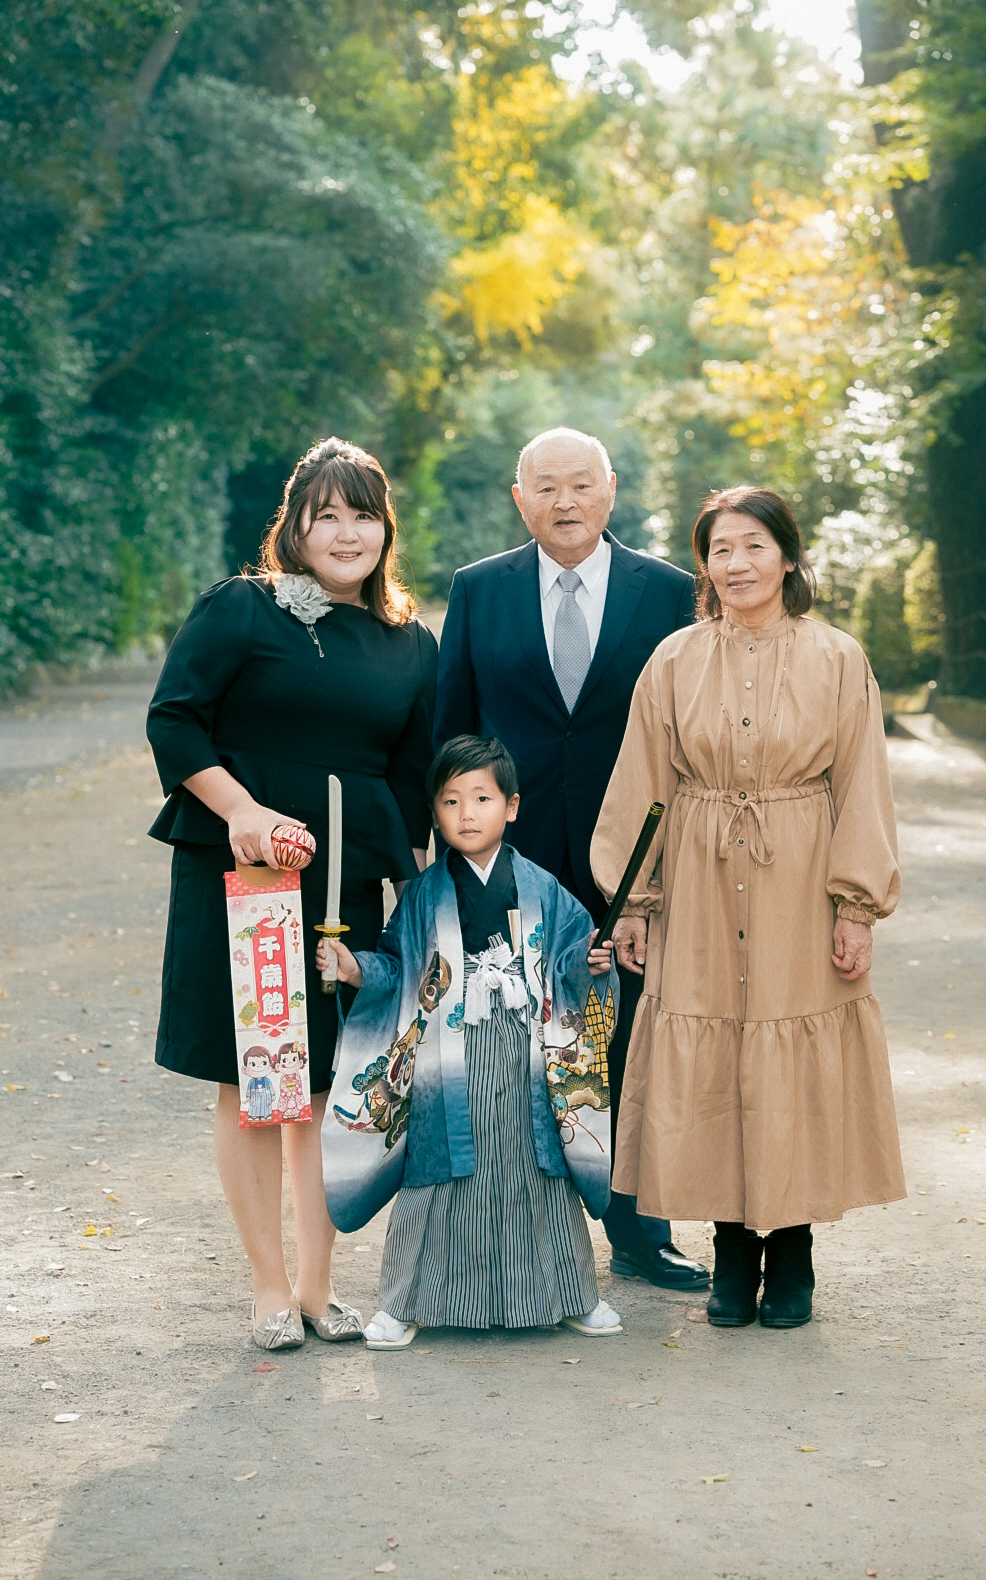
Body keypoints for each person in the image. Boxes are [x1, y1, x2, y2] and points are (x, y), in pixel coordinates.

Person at [591, 485, 905, 1329]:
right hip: (694, 874)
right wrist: (633, 902)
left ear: (789, 557)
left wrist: (855, 907)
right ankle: (732, 1251)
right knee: (715, 1064)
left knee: (790, 1056)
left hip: (800, 880)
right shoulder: (674, 660)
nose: (736, 564)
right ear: (706, 565)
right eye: (721, 550)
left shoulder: (839, 659)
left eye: (753, 546)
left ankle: (792, 1249)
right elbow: (643, 786)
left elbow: (862, 790)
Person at [146, 437, 437, 1349]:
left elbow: (410, 777)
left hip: (347, 892)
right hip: (247, 882)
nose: (346, 532)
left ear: (385, 529)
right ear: (296, 527)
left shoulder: (410, 644)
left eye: (363, 514)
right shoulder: (246, 610)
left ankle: (319, 1288)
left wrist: (423, 902)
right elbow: (175, 717)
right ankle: (269, 1291)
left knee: (328, 1083)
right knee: (252, 1081)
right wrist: (240, 809)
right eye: (327, 514)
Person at [434, 426, 708, 1291]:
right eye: (546, 487)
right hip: (508, 855)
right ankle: (510, 1228)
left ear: (611, 490)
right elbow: (454, 725)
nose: (565, 502)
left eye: (581, 485)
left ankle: (640, 1226)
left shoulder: (667, 592)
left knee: (631, 1034)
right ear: (520, 499)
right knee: (509, 1036)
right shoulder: (479, 590)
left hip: (636, 855)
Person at [317, 735, 622, 1349]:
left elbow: (571, 954)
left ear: (511, 807)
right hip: (443, 1063)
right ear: (435, 813)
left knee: (539, 1170)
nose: (467, 813)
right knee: (436, 1171)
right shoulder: (425, 894)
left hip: (526, 1055)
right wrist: (354, 969)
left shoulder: (540, 885)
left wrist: (588, 964)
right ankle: (403, 1303)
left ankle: (571, 1295)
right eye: (451, 801)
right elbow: (399, 970)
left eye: (482, 798)